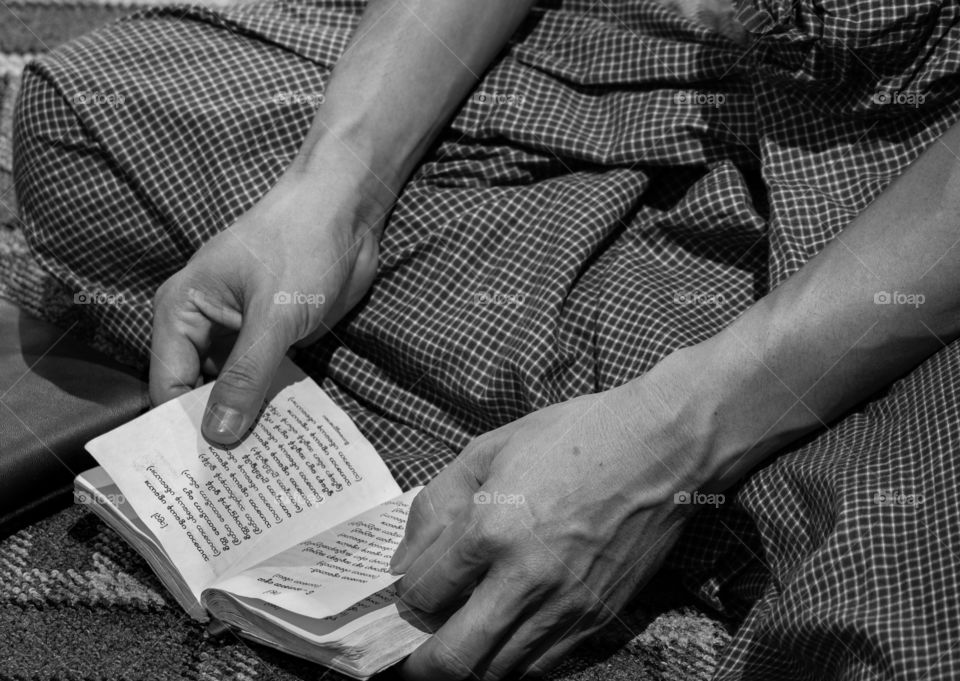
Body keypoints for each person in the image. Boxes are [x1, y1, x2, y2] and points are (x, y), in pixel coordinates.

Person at [12, 0, 960, 678]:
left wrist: (684, 427)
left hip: (919, 202)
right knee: (90, 116)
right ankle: (701, 455)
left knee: (895, 617)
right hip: (684, 60)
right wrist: (339, 188)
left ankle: (707, 445)